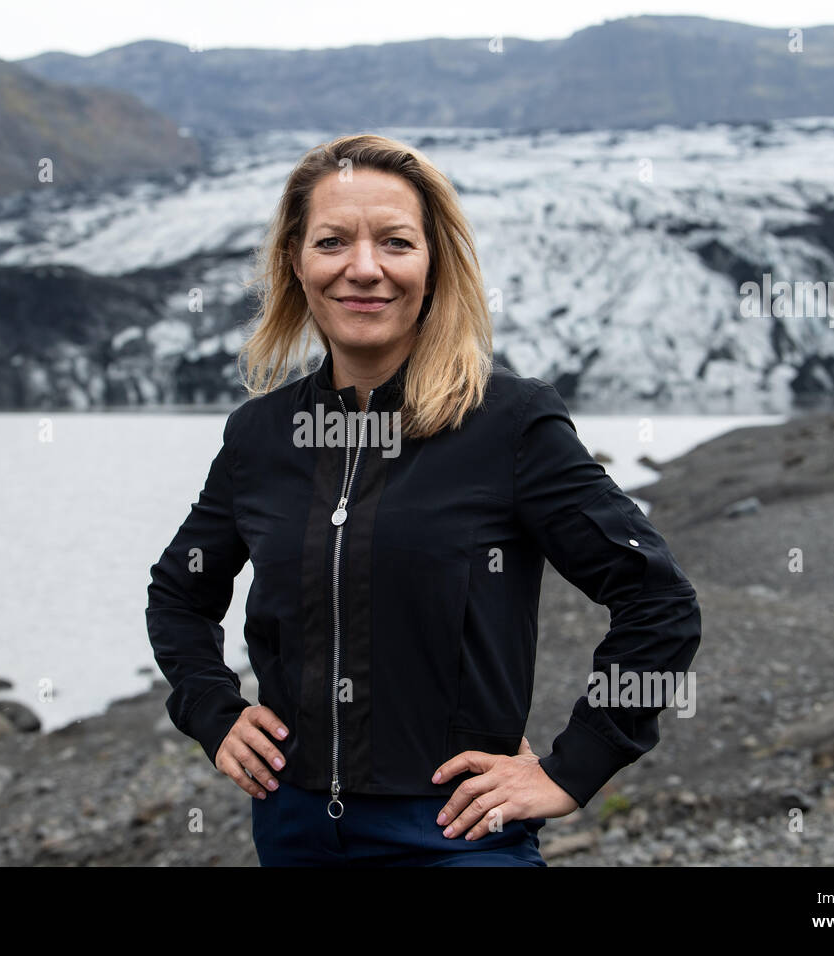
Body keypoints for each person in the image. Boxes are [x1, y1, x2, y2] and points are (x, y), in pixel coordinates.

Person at [146, 133, 702, 866]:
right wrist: (213, 713)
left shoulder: (510, 423)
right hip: (295, 835)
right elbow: (179, 594)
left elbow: (658, 600)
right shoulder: (261, 436)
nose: (364, 268)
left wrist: (574, 768)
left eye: (396, 243)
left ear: (434, 264)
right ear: (295, 261)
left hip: (453, 838)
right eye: (333, 241)